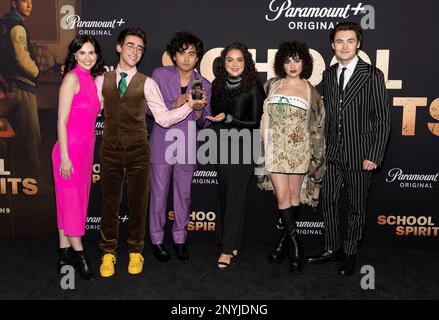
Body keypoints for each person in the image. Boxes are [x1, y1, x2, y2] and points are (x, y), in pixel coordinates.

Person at [95, 28, 201, 278]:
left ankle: (135, 251)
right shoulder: (102, 80)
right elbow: (89, 112)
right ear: (119, 47)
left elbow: (163, 119)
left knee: (138, 204)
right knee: (109, 204)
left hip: (139, 152)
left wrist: (189, 107)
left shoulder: (148, 82)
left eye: (140, 48)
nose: (135, 51)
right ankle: (108, 253)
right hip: (109, 151)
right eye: (130, 46)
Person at [307, 22, 391, 276]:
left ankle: (350, 252)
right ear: (333, 45)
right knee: (329, 202)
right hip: (332, 152)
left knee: (356, 207)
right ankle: (332, 248)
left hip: (360, 153)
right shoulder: (330, 75)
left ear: (359, 44)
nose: (344, 46)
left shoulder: (372, 75)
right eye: (339, 41)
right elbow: (326, 114)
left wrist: (374, 155)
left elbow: (383, 120)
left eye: (350, 41)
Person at [259, 41, 325, 274]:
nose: (292, 65)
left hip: (300, 151)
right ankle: (297, 246)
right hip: (275, 149)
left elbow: (318, 127)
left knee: (295, 196)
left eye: (297, 60)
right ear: (281, 64)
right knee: (282, 196)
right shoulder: (271, 85)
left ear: (304, 62)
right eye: (287, 61)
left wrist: (317, 158)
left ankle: (282, 243)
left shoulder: (311, 90)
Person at [148, 31, 211, 262]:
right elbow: (148, 109)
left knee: (183, 196)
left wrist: (197, 110)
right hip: (161, 141)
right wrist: (172, 104)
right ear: (174, 56)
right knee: (158, 195)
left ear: (198, 58)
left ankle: (180, 238)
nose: (186, 58)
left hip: (186, 144)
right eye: (182, 53)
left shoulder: (204, 83)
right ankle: (156, 239)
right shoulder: (159, 75)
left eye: (192, 54)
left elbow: (204, 121)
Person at [52, 35, 105, 281]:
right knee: (72, 204)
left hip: (85, 153)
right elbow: (61, 121)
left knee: (71, 204)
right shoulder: (71, 78)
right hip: (68, 152)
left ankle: (64, 254)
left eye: (91, 52)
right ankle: (80, 256)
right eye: (82, 52)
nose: (87, 57)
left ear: (96, 56)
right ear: (74, 55)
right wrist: (64, 156)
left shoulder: (93, 82)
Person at [207, 43, 264, 269]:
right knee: (225, 193)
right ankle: (232, 240)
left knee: (235, 195)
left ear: (246, 62)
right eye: (230, 60)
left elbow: (257, 121)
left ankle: (227, 249)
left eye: (239, 60)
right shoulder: (216, 84)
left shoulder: (253, 86)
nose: (234, 64)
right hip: (221, 143)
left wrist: (230, 119)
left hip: (244, 145)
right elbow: (214, 115)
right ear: (224, 62)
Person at [0, 0, 41, 179]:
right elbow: (22, 59)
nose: (29, 5)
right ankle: (36, 182)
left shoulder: (3, 23)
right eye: (24, 1)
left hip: (8, 86)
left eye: (31, 1)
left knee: (13, 138)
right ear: (13, 3)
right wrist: (36, 71)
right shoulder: (17, 27)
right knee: (32, 137)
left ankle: (16, 180)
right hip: (21, 87)